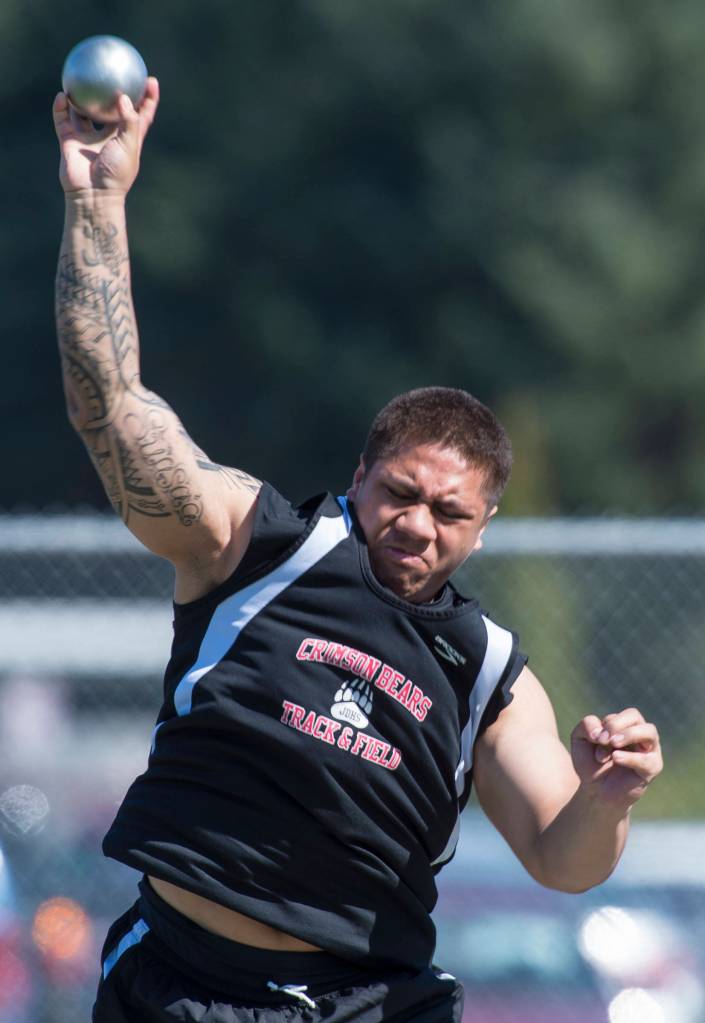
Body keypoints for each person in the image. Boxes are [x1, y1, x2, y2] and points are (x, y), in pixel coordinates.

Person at [53, 81, 663, 1023]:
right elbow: (112, 408)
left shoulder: (486, 672)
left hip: (363, 1004)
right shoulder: (254, 547)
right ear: (360, 475)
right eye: (400, 494)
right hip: (181, 984)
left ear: (484, 526)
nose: (417, 524)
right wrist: (98, 199)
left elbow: (561, 857)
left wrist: (606, 796)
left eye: (449, 513)